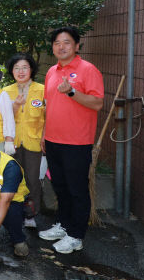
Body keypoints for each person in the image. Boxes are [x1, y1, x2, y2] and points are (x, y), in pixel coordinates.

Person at [38, 27, 103, 254]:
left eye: (66, 42)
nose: (61, 46)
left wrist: (72, 92)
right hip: (54, 140)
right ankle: (64, 225)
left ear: (77, 46)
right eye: (57, 42)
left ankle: (76, 236)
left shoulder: (88, 70)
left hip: (77, 142)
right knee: (61, 187)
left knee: (77, 189)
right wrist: (45, 135)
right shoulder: (51, 72)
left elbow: (97, 103)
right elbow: (49, 108)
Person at [3, 53, 45, 229]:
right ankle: (15, 211)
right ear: (12, 71)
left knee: (33, 179)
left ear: (31, 70)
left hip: (34, 141)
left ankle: (31, 213)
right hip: (13, 142)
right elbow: (4, 118)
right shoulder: (6, 91)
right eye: (16, 68)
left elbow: (49, 116)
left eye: (25, 67)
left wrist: (45, 137)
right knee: (14, 178)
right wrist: (15, 106)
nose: (21, 71)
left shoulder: (42, 89)